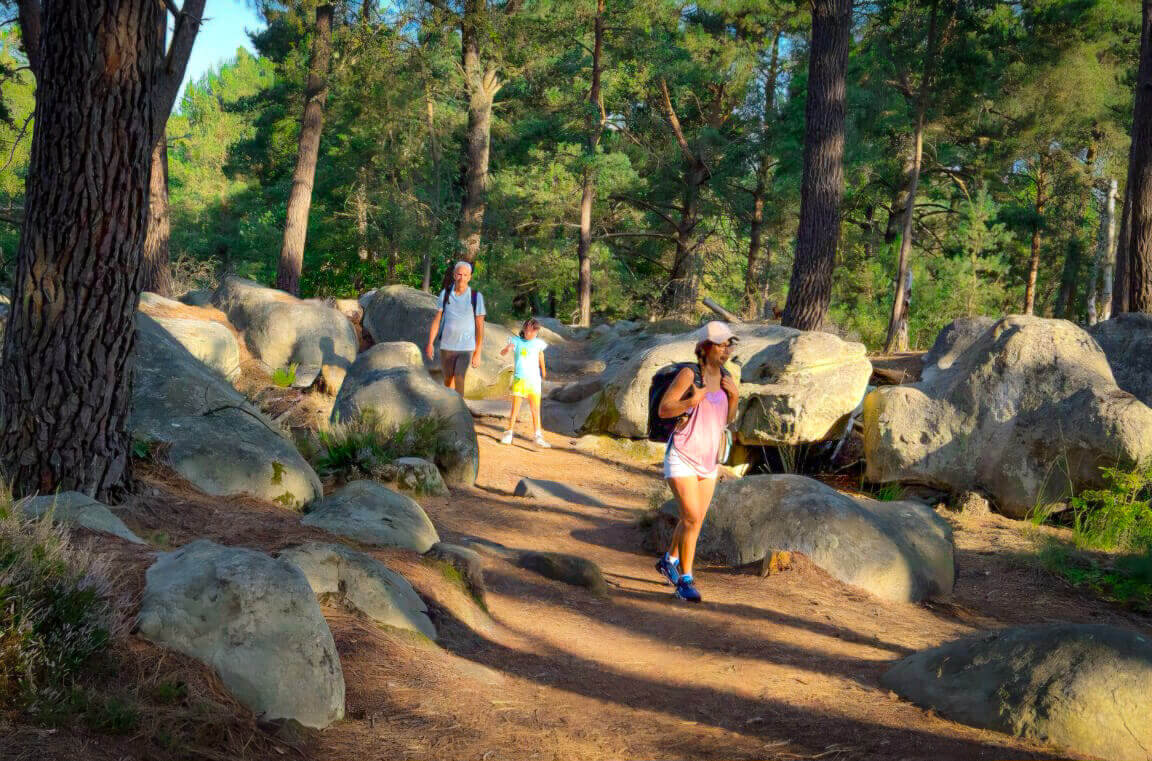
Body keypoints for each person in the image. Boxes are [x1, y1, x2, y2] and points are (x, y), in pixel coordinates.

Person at [653, 321, 740, 603]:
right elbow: (664, 409)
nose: (726, 349)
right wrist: (692, 401)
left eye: (728, 344)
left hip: (709, 460)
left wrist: (735, 396)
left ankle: (668, 560)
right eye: (721, 344)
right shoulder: (690, 374)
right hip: (682, 455)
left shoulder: (726, 377)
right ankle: (685, 580)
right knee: (691, 517)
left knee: (695, 519)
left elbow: (726, 419)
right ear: (705, 346)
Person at [426, 261, 486, 394]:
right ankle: (451, 403)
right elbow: (437, 320)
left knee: (459, 377)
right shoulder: (445, 294)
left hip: (466, 346)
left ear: (469, 277)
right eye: (459, 274)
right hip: (447, 345)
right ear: (454, 275)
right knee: (448, 379)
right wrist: (430, 343)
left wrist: (478, 351)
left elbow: (480, 325)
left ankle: (459, 406)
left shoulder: (476, 297)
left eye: (465, 275)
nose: (462, 278)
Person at [498, 317, 551, 448]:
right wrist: (507, 349)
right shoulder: (516, 341)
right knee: (515, 407)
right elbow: (503, 353)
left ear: (537, 331)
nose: (529, 333)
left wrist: (544, 370)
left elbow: (541, 355)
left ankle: (538, 436)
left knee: (535, 408)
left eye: (532, 331)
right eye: (527, 330)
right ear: (523, 329)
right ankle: (509, 433)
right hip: (520, 379)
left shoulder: (539, 343)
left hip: (534, 379)